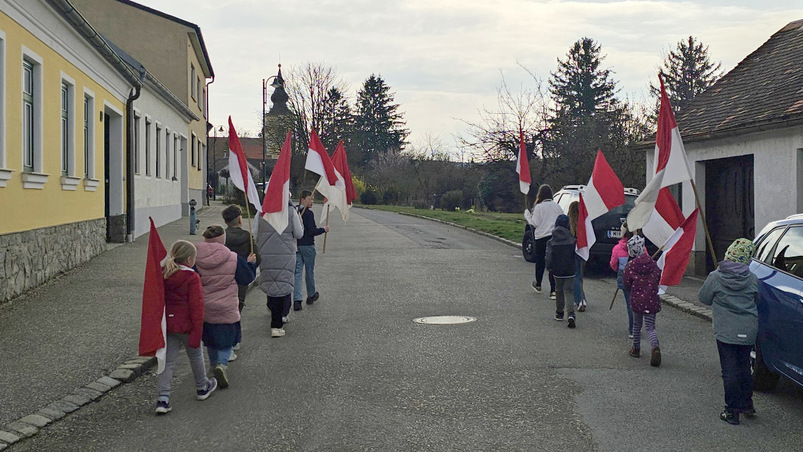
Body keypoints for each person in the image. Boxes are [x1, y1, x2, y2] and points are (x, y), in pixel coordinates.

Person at [698, 238, 760, 426]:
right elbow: (757, 298)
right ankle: (747, 405)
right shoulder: (752, 278)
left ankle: (731, 411)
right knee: (744, 367)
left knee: (729, 370)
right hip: (748, 329)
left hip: (726, 331)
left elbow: (704, 298)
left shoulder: (716, 277)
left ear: (728, 255)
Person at [155, 240, 217, 415]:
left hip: (168, 324)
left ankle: (163, 398)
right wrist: (198, 331)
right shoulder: (192, 277)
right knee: (196, 356)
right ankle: (202, 386)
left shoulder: (163, 273)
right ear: (190, 259)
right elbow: (197, 306)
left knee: (167, 361)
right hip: (187, 325)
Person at [195, 225, 256, 388]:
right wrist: (251, 264)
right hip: (227, 305)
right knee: (228, 338)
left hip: (206, 306)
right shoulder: (232, 257)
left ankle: (213, 365)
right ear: (223, 239)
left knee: (210, 338)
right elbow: (246, 278)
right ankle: (222, 365)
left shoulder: (195, 257)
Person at [257, 197, 304, 338]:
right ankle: (277, 324)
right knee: (282, 285)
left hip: (266, 253)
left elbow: (254, 232)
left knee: (271, 284)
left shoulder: (261, 211)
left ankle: (274, 314)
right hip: (286, 254)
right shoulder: (291, 211)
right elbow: (299, 234)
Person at [622, 235, 662, 366]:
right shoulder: (653, 264)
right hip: (651, 299)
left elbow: (626, 283)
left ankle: (636, 348)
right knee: (650, 327)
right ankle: (655, 346)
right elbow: (659, 277)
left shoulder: (630, 266)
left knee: (637, 325)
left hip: (637, 300)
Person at [524, 184, 564, 299]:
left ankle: (538, 283)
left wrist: (527, 216)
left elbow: (535, 223)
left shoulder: (539, 207)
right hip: (554, 237)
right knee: (552, 263)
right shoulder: (557, 207)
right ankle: (553, 290)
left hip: (541, 237)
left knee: (540, 261)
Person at [293, 190, 329, 311]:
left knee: (297, 273)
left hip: (297, 246)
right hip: (308, 245)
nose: (312, 201)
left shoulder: (294, 211)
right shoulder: (308, 214)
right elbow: (312, 231)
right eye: (309, 199)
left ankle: (297, 300)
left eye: (312, 199)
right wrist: (323, 229)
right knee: (309, 271)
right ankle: (311, 294)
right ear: (303, 199)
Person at [545, 215, 577, 328]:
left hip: (557, 270)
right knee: (569, 291)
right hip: (570, 269)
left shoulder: (551, 241)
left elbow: (549, 256)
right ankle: (571, 314)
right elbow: (576, 255)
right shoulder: (573, 241)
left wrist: (549, 267)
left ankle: (559, 312)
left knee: (558, 290)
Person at [610, 224, 634, 338]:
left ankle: (632, 330)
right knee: (638, 303)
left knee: (630, 304)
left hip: (625, 278)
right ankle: (637, 326)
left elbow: (613, 264)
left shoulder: (617, 248)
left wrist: (619, 271)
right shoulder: (641, 246)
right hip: (639, 279)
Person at [567, 201, 587, 311]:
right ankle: (579, 297)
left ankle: (580, 299)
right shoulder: (584, 223)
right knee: (579, 276)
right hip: (583, 251)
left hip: (573, 252)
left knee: (575, 275)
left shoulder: (569, 223)